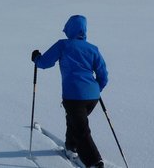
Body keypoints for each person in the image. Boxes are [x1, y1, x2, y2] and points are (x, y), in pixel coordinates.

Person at [31, 15, 108, 168]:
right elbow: (103, 75)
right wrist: (95, 89)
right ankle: (70, 147)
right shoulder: (93, 49)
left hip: (73, 96)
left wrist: (36, 58)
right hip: (92, 97)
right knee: (74, 121)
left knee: (81, 131)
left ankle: (94, 162)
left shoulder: (63, 45)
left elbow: (45, 63)